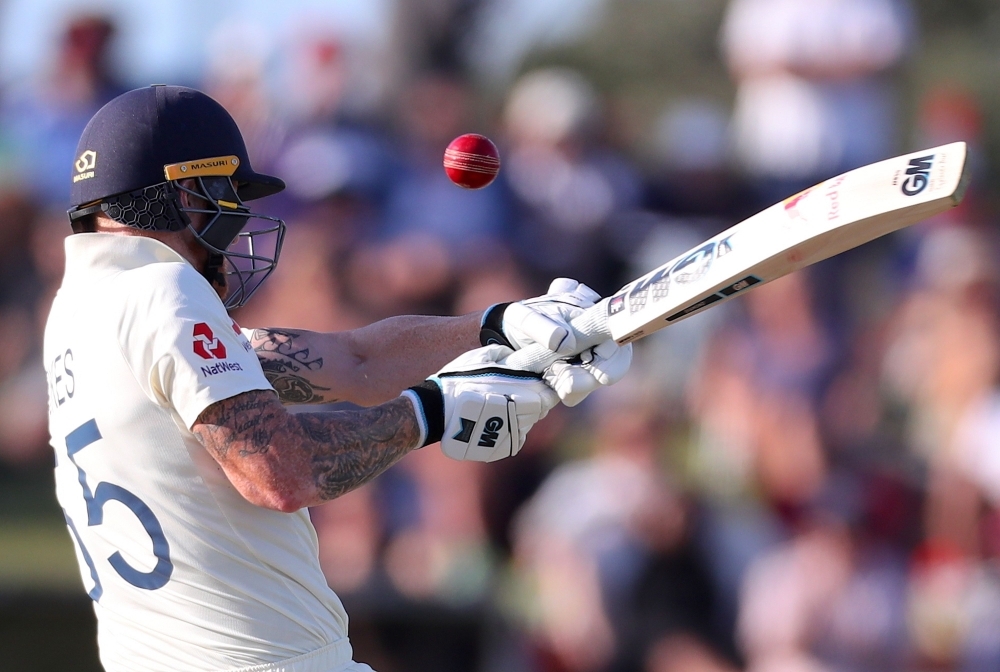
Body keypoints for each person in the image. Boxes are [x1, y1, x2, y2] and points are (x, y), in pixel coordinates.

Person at [43, 85, 631, 672]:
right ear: (183, 191)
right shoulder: (161, 290)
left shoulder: (78, 314)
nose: (237, 220)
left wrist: (495, 327)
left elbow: (354, 359)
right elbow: (280, 474)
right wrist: (432, 413)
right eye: (225, 194)